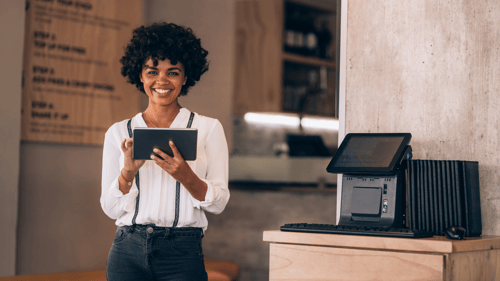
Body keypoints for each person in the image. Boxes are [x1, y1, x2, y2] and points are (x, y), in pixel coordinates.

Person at [100, 22, 230, 281]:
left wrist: (186, 176)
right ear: (140, 75)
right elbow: (110, 208)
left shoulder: (208, 129)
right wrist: (127, 173)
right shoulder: (118, 132)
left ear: (185, 77)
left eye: (173, 72)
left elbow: (219, 203)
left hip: (182, 252)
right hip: (127, 250)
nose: (161, 81)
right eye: (152, 71)